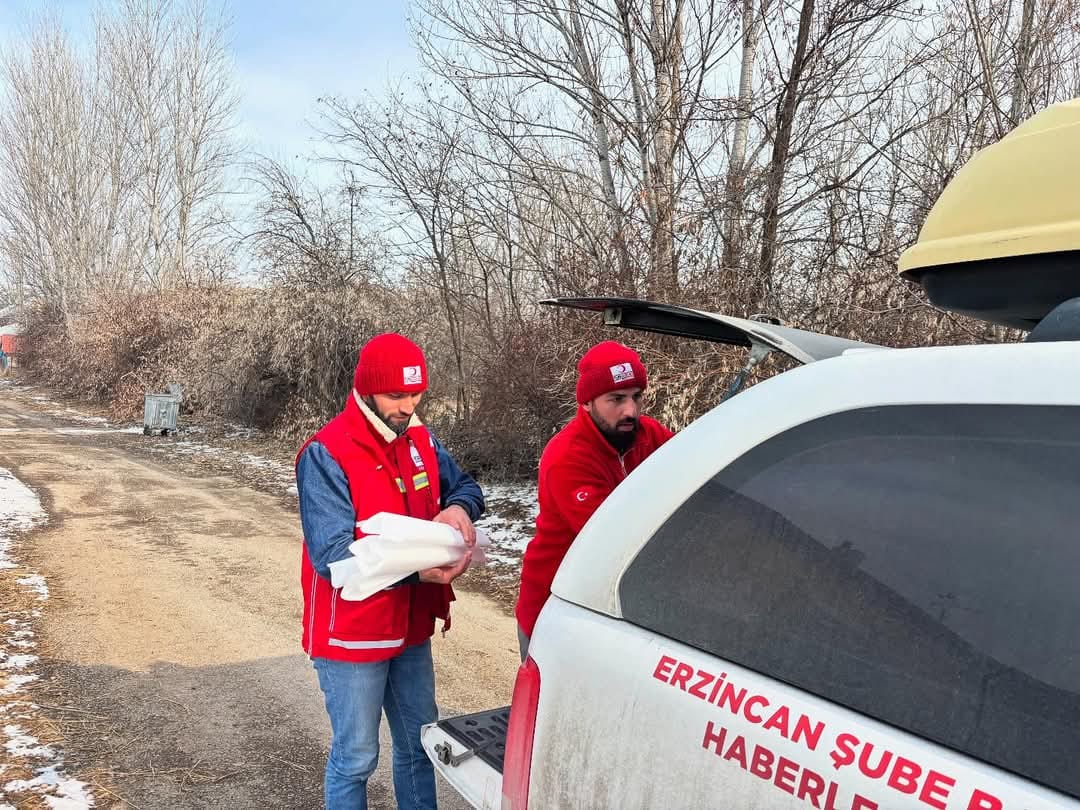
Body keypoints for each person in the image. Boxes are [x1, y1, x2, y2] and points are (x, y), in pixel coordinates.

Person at [296, 332, 484, 810]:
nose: (407, 406)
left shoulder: (419, 436)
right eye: (396, 396)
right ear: (365, 391)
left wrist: (460, 508)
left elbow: (463, 484)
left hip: (409, 629)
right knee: (356, 757)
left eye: (416, 394)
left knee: (420, 746)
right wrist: (418, 573)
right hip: (352, 637)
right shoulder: (327, 452)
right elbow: (334, 557)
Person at [515, 340, 673, 659]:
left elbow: (691, 474)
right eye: (616, 399)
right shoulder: (567, 458)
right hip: (556, 610)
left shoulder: (649, 435)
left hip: (613, 608)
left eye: (636, 397)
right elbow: (613, 541)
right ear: (587, 402)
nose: (630, 410)